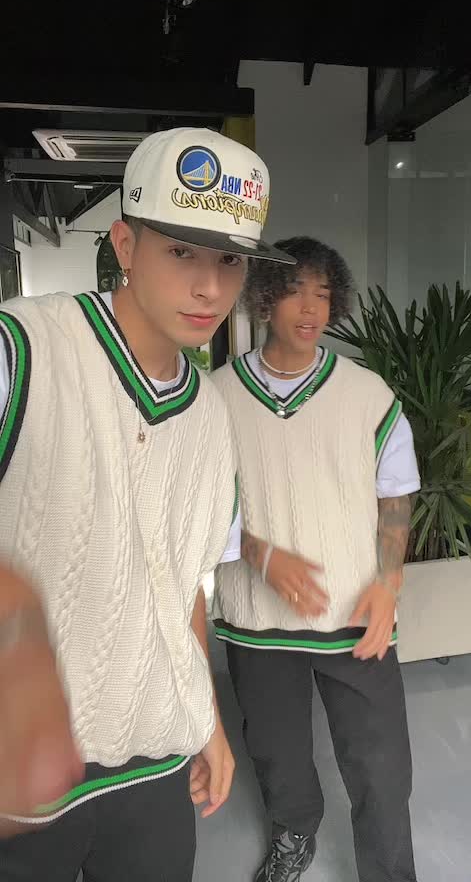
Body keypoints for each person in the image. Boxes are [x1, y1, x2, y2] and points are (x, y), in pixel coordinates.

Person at [0, 127, 294, 881]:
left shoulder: (210, 418)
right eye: (182, 252)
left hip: (153, 764)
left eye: (230, 260)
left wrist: (206, 723)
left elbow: (182, 585)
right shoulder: (25, 351)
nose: (210, 288)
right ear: (125, 245)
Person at [211, 237, 421, 882]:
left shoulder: (366, 393)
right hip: (257, 617)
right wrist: (260, 555)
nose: (310, 308)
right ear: (264, 299)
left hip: (354, 610)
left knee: (381, 763)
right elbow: (204, 500)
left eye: (323, 295)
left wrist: (388, 584)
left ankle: (389, 871)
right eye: (295, 291)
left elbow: (395, 493)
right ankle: (294, 832)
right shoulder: (217, 396)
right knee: (276, 751)